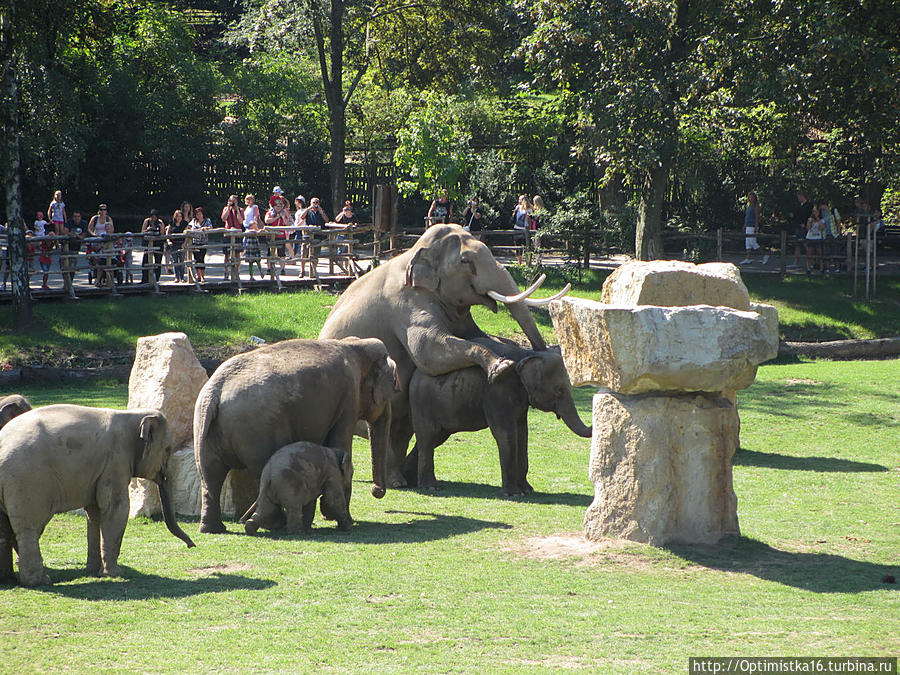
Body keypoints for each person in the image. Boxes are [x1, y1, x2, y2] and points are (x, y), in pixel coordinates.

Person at [264, 195, 292, 275]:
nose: (278, 207)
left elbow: (287, 223)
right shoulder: (270, 212)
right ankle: (269, 269)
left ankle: (282, 269)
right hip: (271, 235)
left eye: (280, 206)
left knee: (281, 253)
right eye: (277, 206)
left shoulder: (284, 213)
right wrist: (276, 218)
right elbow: (267, 220)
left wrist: (283, 217)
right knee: (270, 253)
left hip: (281, 235)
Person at [88, 204, 115, 286]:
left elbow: (112, 229)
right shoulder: (95, 218)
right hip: (97, 239)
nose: (103, 211)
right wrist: (94, 234)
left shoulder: (108, 219)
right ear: (99, 210)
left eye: (104, 209)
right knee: (97, 257)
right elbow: (89, 228)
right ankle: (97, 278)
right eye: (101, 209)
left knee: (109, 257)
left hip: (106, 240)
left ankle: (109, 280)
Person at [60, 210, 88, 288]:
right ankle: (66, 283)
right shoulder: (69, 222)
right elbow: (65, 232)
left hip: (75, 248)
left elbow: (83, 235)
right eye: (75, 216)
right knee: (64, 265)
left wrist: (75, 235)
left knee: (72, 266)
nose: (76, 218)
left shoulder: (84, 223)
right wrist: (73, 234)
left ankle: (70, 283)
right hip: (66, 247)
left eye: (78, 216)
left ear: (80, 217)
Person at [739, 192, 767, 265]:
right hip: (748, 225)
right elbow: (747, 216)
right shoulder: (749, 206)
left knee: (753, 242)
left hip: (752, 226)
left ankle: (764, 255)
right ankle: (748, 258)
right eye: (749, 197)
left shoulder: (756, 206)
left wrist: (756, 227)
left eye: (752, 197)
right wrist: (744, 225)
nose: (750, 199)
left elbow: (757, 217)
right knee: (748, 243)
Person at [187, 206, 213, 282]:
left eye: (200, 214)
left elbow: (211, 228)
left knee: (201, 258)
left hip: (203, 242)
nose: (199, 215)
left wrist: (205, 228)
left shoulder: (207, 220)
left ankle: (202, 276)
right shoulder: (194, 221)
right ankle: (198, 276)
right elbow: (188, 227)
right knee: (196, 259)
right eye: (197, 214)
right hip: (195, 242)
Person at [221, 194, 243, 279]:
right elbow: (223, 219)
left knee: (237, 254)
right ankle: (226, 271)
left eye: (234, 201)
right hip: (228, 233)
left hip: (237, 233)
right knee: (227, 254)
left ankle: (237, 271)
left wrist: (236, 210)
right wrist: (228, 208)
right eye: (231, 201)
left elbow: (241, 221)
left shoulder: (240, 210)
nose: (232, 203)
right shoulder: (226, 209)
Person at [789, 191, 813, 269]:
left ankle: (811, 262)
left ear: (802, 196)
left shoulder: (809, 206)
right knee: (797, 245)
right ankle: (796, 262)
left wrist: (806, 224)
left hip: (804, 228)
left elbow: (809, 216)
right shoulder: (799, 206)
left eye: (799, 197)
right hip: (797, 227)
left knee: (806, 244)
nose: (798, 198)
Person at [140, 209, 165, 285]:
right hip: (148, 244)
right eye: (152, 216)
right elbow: (142, 232)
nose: (153, 218)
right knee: (145, 260)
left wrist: (160, 228)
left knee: (158, 261)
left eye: (155, 216)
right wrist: (148, 230)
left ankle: (156, 279)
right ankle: (145, 279)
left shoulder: (160, 222)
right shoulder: (147, 221)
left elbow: (162, 233)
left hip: (158, 244)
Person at [242, 194, 264, 279]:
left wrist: (255, 225)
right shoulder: (246, 208)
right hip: (247, 227)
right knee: (250, 259)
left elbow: (256, 216)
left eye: (250, 199)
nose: (248, 201)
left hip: (252, 226)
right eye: (247, 199)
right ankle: (251, 275)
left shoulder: (255, 207)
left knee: (257, 258)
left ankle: (261, 272)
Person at [166, 209, 188, 282]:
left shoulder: (184, 223)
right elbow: (168, 232)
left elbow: (187, 234)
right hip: (174, 244)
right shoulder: (172, 223)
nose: (179, 218)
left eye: (180, 216)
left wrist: (184, 244)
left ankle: (182, 277)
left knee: (181, 261)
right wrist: (168, 241)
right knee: (175, 261)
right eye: (177, 216)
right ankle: (176, 277)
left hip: (181, 243)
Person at [33, 211, 53, 289]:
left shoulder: (52, 243)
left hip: (48, 258)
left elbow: (47, 224)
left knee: (46, 272)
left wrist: (50, 221)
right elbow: (35, 226)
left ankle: (45, 284)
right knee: (45, 271)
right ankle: (44, 284)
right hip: (43, 257)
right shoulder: (36, 222)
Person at [805, 204, 826, 275]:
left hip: (818, 238)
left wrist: (818, 220)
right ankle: (808, 268)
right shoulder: (809, 219)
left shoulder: (822, 220)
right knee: (809, 254)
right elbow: (808, 228)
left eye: (816, 212)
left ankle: (821, 268)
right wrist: (810, 222)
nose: (815, 213)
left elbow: (823, 228)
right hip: (810, 238)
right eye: (814, 212)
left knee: (819, 254)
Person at [511, 194, 532, 263]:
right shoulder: (517, 207)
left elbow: (530, 221)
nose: (518, 201)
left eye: (520, 199)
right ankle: (519, 262)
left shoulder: (529, 209)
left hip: (525, 229)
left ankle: (528, 262)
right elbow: (514, 216)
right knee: (518, 246)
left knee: (527, 246)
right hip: (517, 228)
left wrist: (530, 230)